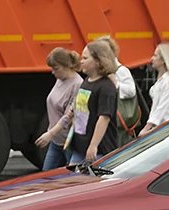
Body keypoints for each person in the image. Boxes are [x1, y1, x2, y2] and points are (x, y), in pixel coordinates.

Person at [35, 40, 119, 168]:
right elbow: (73, 111)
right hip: (80, 147)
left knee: (89, 184)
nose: (81, 61)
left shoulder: (106, 87)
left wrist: (93, 145)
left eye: (85, 58)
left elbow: (104, 118)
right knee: (72, 180)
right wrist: (53, 133)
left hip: (99, 149)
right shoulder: (86, 82)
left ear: (98, 61)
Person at [40, 48, 83, 170]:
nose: (53, 72)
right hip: (56, 140)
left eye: (56, 68)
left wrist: (50, 133)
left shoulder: (77, 84)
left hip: (67, 141)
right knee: (46, 175)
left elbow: (69, 116)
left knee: (71, 176)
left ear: (67, 66)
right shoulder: (60, 79)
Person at [96, 36, 140, 146]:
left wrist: (116, 84)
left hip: (119, 125)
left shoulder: (121, 70)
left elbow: (131, 91)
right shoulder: (103, 70)